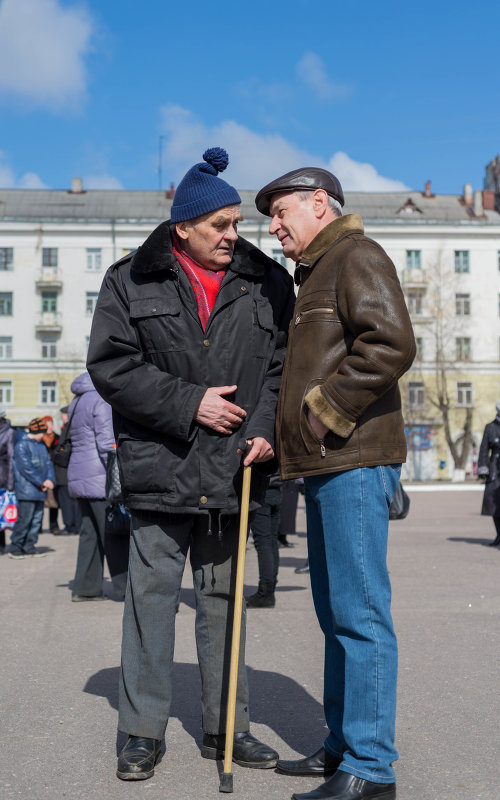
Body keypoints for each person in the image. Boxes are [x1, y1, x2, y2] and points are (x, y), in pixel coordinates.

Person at [86, 147, 294, 781]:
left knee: (223, 601)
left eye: (237, 223)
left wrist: (264, 431)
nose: (234, 236)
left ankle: (225, 727)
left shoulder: (268, 281)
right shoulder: (129, 279)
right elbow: (111, 366)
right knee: (150, 604)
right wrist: (191, 403)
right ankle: (141, 732)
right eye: (220, 226)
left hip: (235, 467)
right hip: (160, 466)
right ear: (183, 228)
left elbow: (283, 369)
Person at [255, 167, 416, 800]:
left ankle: (371, 768)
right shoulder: (314, 271)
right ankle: (344, 744)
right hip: (324, 465)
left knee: (360, 615)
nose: (273, 226)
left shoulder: (356, 254)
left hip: (352, 460)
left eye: (280, 211)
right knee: (335, 615)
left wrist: (324, 411)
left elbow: (390, 343)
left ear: (319, 204)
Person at [68, 372, 129, 601]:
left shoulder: (78, 399)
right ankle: (126, 589)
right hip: (98, 478)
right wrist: (119, 477)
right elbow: (107, 443)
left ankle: (85, 588)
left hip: (80, 475)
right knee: (115, 533)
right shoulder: (100, 400)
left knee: (89, 534)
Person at [8, 417, 55, 559]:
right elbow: (25, 468)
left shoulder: (41, 446)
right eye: (43, 432)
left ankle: (29, 546)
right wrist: (42, 481)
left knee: (36, 520)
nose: (44, 435)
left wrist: (50, 479)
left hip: (40, 489)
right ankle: (16, 546)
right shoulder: (21, 445)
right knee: (25, 519)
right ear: (37, 431)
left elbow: (48, 464)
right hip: (27, 490)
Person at [246, 471, 282, 608]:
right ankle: (269, 590)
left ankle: (265, 592)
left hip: (262, 488)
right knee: (271, 541)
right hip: (276, 488)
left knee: (264, 542)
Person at [53, 405, 81, 534]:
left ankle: (70, 526)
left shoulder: (68, 428)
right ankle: (75, 525)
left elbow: (64, 450)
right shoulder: (77, 426)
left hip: (64, 471)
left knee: (67, 501)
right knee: (74, 501)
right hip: (74, 471)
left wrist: (55, 455)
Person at [477, 403, 500, 546]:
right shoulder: (490, 427)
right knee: (493, 503)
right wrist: (484, 469)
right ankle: (499, 534)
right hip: (495, 470)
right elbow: (484, 449)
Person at [41, 415, 61, 533]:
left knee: (54, 501)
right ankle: (38, 527)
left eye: (51, 424)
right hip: (42, 472)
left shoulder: (57, 438)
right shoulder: (40, 439)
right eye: (47, 424)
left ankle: (54, 525)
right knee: (41, 501)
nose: (49, 427)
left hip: (54, 471)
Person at [0, 407, 15, 552]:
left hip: (2, 478)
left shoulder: (9, 432)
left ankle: (1, 544)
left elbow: (11, 458)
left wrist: (10, 484)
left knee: (1, 514)